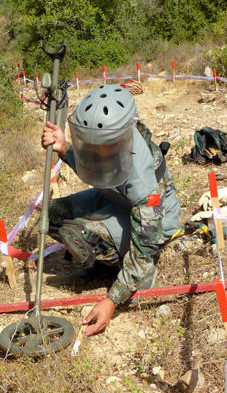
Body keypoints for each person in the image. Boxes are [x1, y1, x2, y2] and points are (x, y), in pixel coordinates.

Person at [42, 84, 180, 336]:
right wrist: (63, 148)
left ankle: (130, 275)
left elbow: (145, 245)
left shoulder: (144, 181)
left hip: (150, 219)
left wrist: (111, 301)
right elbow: (92, 167)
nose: (94, 150)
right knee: (53, 215)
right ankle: (102, 257)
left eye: (100, 145)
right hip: (114, 197)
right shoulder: (106, 141)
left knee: (84, 236)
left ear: (120, 138)